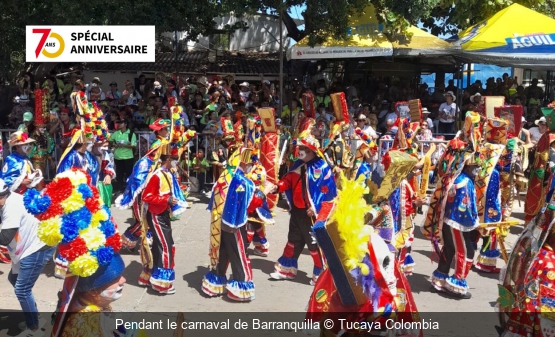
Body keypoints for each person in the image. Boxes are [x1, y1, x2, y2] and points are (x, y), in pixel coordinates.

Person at [269, 135, 337, 285]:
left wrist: (315, 208)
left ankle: (321, 275)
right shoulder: (297, 165)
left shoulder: (322, 167)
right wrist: (278, 187)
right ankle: (286, 269)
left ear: (312, 150)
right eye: (300, 148)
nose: (300, 151)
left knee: (314, 245)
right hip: (297, 212)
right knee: (293, 240)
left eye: (304, 149)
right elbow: (288, 180)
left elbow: (327, 191)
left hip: (311, 214)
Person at [201, 148, 262, 301]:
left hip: (220, 223)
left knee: (223, 252)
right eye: (250, 163)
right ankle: (240, 287)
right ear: (245, 163)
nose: (251, 167)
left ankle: (215, 283)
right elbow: (252, 204)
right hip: (236, 224)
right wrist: (263, 193)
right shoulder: (244, 182)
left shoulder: (225, 176)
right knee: (239, 254)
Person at [0, 179, 56, 336]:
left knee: (22, 289)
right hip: (28, 246)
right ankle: (35, 316)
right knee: (14, 279)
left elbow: (4, 238)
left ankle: (34, 328)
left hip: (37, 248)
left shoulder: (11, 207)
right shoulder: (10, 199)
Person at [430, 153, 479, 299]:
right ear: (468, 166)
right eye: (475, 166)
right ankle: (456, 284)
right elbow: (465, 208)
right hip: (457, 222)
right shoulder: (465, 182)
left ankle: (440, 279)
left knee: (449, 248)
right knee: (467, 252)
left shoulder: (454, 177)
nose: (477, 169)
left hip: (447, 220)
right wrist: (474, 224)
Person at [117, 118, 171, 250]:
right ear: (161, 131)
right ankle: (125, 240)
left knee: (151, 218)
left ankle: (148, 242)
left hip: (154, 188)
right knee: (143, 220)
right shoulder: (154, 151)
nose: (168, 131)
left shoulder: (162, 144)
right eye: (166, 129)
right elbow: (152, 166)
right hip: (143, 191)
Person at [140, 150, 187, 294]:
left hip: (164, 214)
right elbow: (146, 196)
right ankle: (162, 283)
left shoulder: (168, 173)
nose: (176, 163)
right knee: (166, 247)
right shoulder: (157, 176)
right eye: (175, 159)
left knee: (162, 246)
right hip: (156, 215)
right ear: (168, 159)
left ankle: (155, 276)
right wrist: (166, 200)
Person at [110, 119, 137, 195]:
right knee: (119, 174)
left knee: (129, 174)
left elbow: (133, 145)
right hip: (118, 157)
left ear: (125, 124)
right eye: (118, 123)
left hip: (128, 157)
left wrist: (123, 145)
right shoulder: (116, 133)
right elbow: (110, 140)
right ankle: (120, 189)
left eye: (121, 123)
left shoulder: (131, 134)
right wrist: (113, 144)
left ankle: (129, 189)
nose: (119, 124)